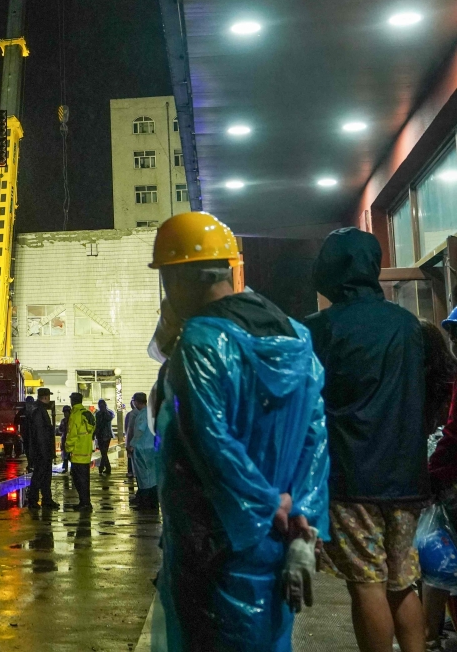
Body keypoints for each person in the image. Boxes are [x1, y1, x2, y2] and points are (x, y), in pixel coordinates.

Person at [151, 212, 329, 651]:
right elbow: (316, 437)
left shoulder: (201, 341)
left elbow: (211, 443)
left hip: (215, 546)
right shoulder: (297, 337)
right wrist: (304, 519)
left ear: (177, 281)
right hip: (280, 546)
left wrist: (269, 505)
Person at [304, 227, 428, 652]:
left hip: (353, 476)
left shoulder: (320, 329)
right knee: (403, 580)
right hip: (408, 478)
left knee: (367, 583)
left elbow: (305, 406)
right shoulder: (408, 325)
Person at [420, 317, 457, 650]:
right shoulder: (450, 377)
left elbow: (451, 435)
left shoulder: (421, 383)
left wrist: (431, 473)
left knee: (438, 556)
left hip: (445, 477)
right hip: (446, 475)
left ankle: (428, 636)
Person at [26, 388, 59, 509]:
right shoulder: (39, 411)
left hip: (41, 450)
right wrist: (44, 451)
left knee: (44, 475)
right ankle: (34, 500)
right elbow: (40, 433)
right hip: (42, 450)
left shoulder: (37, 409)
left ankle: (46, 499)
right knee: (40, 475)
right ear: (45, 397)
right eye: (48, 396)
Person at [65, 392, 95, 511]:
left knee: (78, 481)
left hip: (77, 453)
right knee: (85, 480)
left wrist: (68, 448)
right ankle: (86, 502)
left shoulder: (75, 414)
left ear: (72, 401)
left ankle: (84, 503)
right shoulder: (87, 413)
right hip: (86, 452)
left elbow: (72, 434)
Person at [127, 393, 158, 509]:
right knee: (152, 476)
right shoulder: (152, 412)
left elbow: (140, 430)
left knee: (144, 476)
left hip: (143, 448)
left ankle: (146, 502)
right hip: (151, 447)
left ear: (136, 402)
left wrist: (132, 444)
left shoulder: (143, 414)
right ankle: (152, 502)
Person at [94, 399, 115, 476]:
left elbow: (98, 424)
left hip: (103, 435)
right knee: (104, 452)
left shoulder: (104, 413)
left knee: (103, 452)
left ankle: (103, 467)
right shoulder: (108, 412)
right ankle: (104, 467)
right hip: (105, 435)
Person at [17, 396, 34, 472]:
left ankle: (32, 463)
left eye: (30, 403)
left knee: (33, 450)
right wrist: (18, 434)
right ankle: (30, 463)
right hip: (26, 435)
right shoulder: (22, 412)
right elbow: (16, 422)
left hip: (34, 435)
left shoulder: (35, 412)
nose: (29, 405)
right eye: (28, 403)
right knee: (27, 449)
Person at [58, 405, 71, 473]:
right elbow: (60, 429)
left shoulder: (72, 420)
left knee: (71, 456)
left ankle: (72, 469)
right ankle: (65, 468)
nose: (65, 414)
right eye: (64, 412)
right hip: (64, 440)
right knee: (65, 455)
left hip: (70, 440)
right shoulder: (63, 421)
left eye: (66, 412)